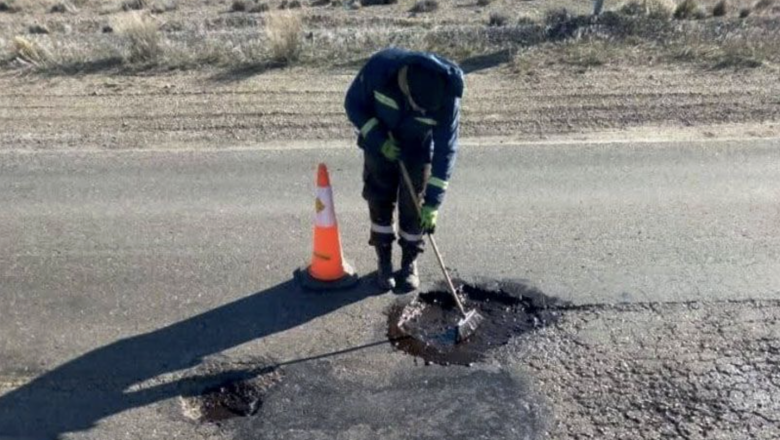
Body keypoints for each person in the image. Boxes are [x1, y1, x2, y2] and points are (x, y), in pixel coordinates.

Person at [344, 48, 464, 292]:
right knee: (379, 199)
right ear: (406, 87)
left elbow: (446, 150)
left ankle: (409, 261)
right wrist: (379, 140)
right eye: (419, 109)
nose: (423, 114)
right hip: (381, 143)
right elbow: (353, 104)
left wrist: (433, 203)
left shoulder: (447, 97)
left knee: (413, 206)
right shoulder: (380, 68)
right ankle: (384, 259)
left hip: (417, 149)